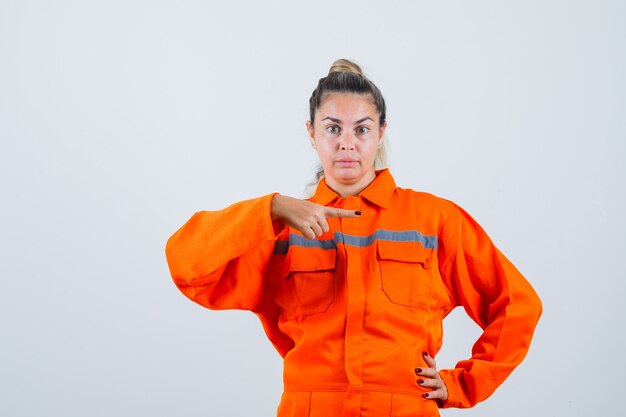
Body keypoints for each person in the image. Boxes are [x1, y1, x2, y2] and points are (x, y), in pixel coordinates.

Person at [165, 59, 542, 417]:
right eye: (332, 128)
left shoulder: (434, 220)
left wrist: (461, 384)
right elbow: (187, 264)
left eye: (361, 129)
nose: (347, 143)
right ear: (311, 133)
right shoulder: (280, 229)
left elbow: (517, 305)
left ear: (381, 132)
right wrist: (273, 208)